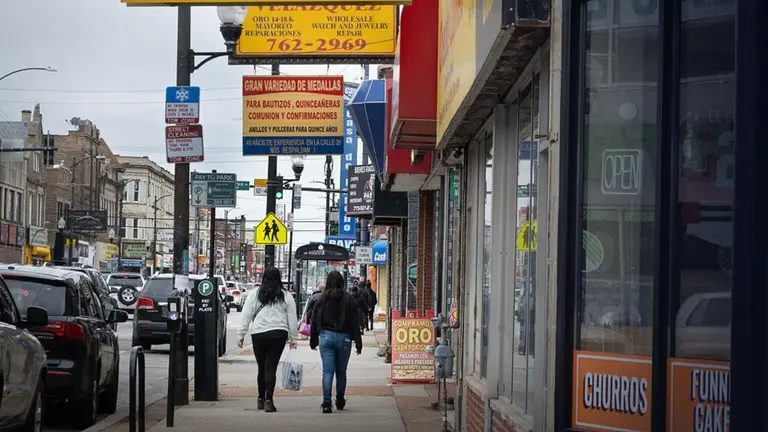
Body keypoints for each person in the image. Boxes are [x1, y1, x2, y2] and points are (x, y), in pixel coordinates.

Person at [237, 268, 298, 413]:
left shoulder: (255, 294)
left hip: (259, 334)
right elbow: (292, 318)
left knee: (261, 367)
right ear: (279, 278)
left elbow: (246, 314)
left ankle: (260, 398)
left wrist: (241, 334)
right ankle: (269, 399)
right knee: (271, 367)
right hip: (278, 333)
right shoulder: (286, 296)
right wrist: (293, 338)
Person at [310, 271, 363, 414]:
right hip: (344, 338)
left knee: (327, 371)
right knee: (341, 372)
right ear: (342, 282)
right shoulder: (349, 299)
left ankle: (326, 402)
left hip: (326, 337)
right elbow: (354, 322)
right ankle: (340, 400)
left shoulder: (322, 299)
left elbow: (315, 320)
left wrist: (313, 340)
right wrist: (358, 342)